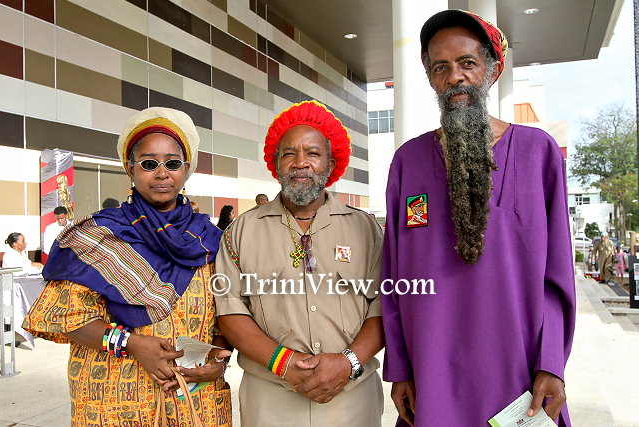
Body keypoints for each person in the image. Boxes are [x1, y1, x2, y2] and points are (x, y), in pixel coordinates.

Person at [381, 10, 576, 426]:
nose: (455, 77)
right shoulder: (408, 162)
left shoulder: (537, 152)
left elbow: (558, 274)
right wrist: (399, 369)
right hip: (431, 375)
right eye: (440, 67)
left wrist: (552, 362)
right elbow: (393, 276)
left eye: (467, 62)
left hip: (518, 374)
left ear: (492, 70)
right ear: (431, 78)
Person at [23, 107, 232, 426]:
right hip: (117, 398)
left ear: (186, 169)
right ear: (130, 168)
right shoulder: (96, 236)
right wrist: (132, 344)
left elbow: (230, 315)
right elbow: (67, 316)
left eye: (172, 163)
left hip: (194, 400)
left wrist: (218, 360)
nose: (162, 173)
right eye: (149, 163)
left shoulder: (210, 240)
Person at [215, 100, 385, 426]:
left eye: (313, 153)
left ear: (330, 164)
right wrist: (283, 362)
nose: (301, 162)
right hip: (270, 401)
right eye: (289, 153)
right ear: (275, 163)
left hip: (351, 399)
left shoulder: (365, 229)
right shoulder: (241, 231)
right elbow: (230, 310)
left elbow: (384, 305)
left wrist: (348, 362)